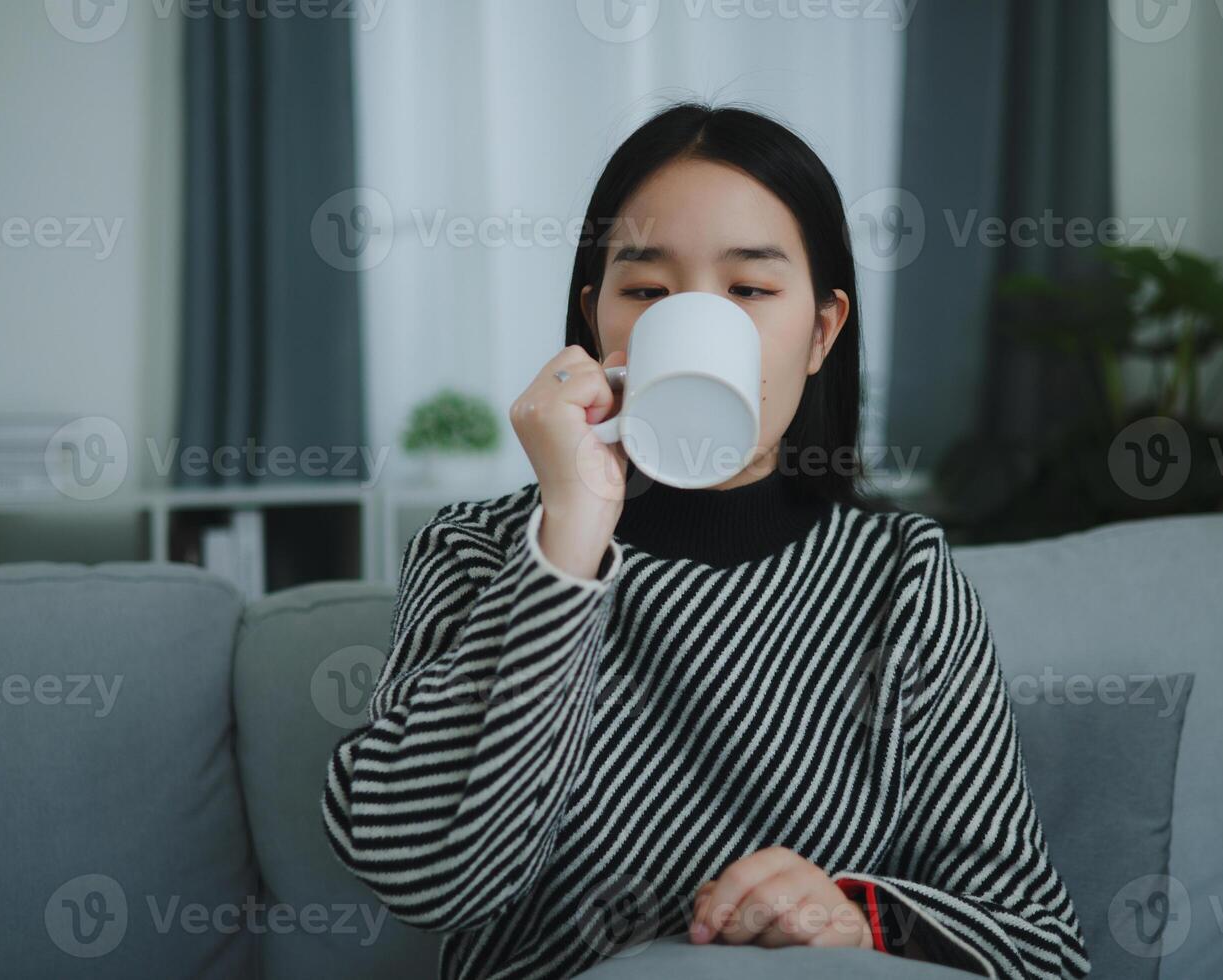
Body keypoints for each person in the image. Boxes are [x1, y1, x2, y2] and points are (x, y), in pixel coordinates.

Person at [322, 101, 1089, 980]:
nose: (688, 321)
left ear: (821, 332)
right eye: (645, 291)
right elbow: (425, 878)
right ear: (597, 324)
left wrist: (852, 916)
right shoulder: (477, 549)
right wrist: (567, 535)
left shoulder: (899, 577)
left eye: (750, 290)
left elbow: (1038, 946)